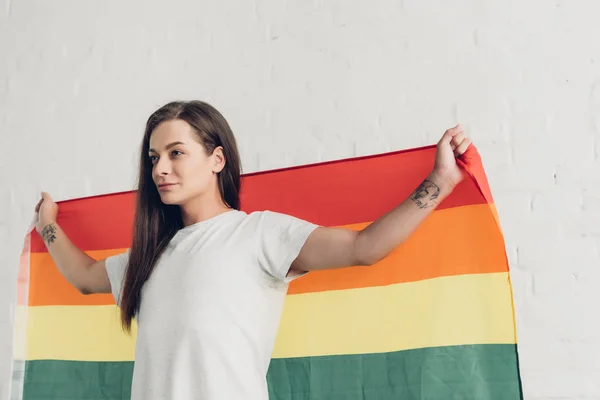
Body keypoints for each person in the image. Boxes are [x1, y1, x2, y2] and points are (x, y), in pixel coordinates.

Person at [34, 100, 472, 400]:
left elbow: (364, 247)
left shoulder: (259, 236)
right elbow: (83, 276)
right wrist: (47, 225)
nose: (160, 169)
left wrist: (441, 182)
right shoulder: (147, 258)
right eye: (153, 158)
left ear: (217, 160)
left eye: (176, 153)